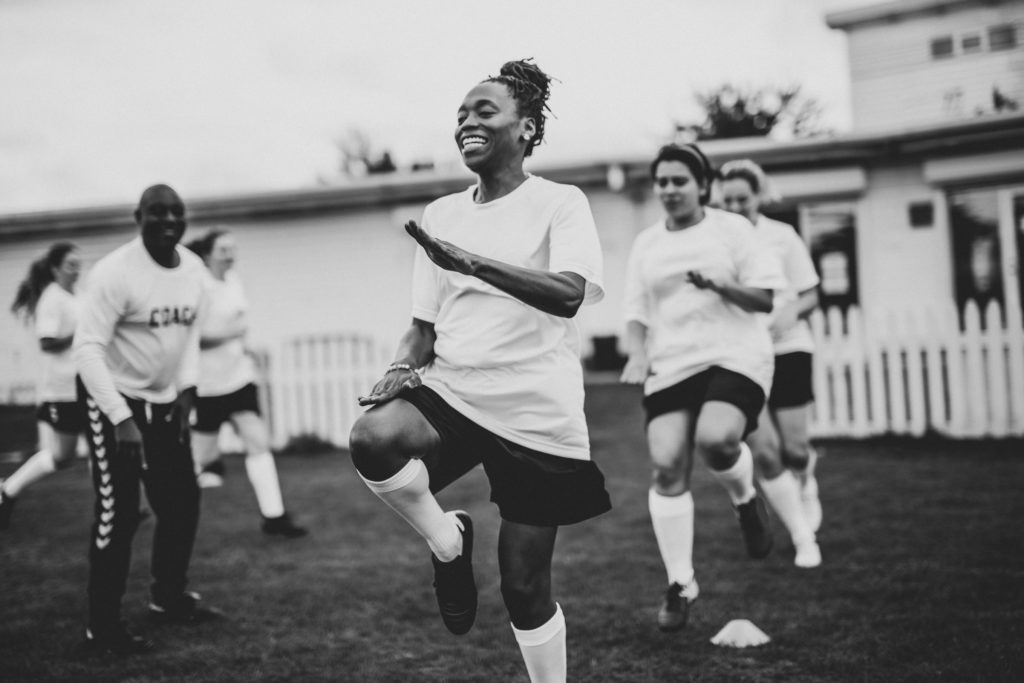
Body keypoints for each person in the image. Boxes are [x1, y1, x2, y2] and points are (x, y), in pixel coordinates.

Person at [348, 59, 610, 683]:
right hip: (457, 392)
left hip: (536, 408)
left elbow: (570, 292)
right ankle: (446, 542)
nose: (467, 122)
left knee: (523, 587)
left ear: (526, 129)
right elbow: (424, 326)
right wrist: (400, 366)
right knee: (372, 438)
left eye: (484, 111)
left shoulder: (560, 202)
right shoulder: (440, 215)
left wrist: (473, 263)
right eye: (461, 114)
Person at [620, 143, 785, 633]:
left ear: (702, 185)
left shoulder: (733, 230)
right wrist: (636, 351)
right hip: (672, 363)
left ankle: (744, 499)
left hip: (735, 353)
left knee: (716, 439)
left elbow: (765, 298)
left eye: (680, 181)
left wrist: (718, 285)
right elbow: (634, 310)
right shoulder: (646, 243)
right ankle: (681, 582)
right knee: (667, 464)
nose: (669, 190)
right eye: (662, 182)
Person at [73, 183, 219, 656]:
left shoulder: (194, 269)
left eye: (176, 212)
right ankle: (102, 626)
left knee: (181, 502)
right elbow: (87, 350)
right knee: (120, 515)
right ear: (139, 216)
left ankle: (168, 597)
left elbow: (192, 332)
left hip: (165, 401)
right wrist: (119, 417)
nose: (168, 220)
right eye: (157, 212)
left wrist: (188, 390)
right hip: (114, 401)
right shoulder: (114, 273)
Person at [720, 159, 823, 568]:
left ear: (759, 196)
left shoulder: (783, 237)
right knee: (766, 452)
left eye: (742, 199)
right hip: (743, 356)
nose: (734, 206)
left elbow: (811, 293)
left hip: (789, 348)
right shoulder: (716, 241)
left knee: (795, 450)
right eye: (726, 200)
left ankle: (807, 481)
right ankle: (802, 536)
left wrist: (791, 313)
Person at [184, 228, 306, 538]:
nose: (230, 254)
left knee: (258, 442)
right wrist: (232, 336)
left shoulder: (234, 282)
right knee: (199, 459)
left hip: (239, 379)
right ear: (208, 254)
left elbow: (240, 325)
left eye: (233, 248)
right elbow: (191, 338)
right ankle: (160, 503)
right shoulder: (199, 287)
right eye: (223, 249)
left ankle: (274, 517)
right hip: (208, 386)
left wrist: (244, 345)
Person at [1, 243, 83, 529]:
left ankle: (123, 507)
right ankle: (8, 489)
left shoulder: (75, 297)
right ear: (55, 268)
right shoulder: (52, 299)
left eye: (78, 264)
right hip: (63, 390)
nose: (77, 269)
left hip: (85, 386)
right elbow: (46, 342)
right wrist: (79, 334)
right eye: (71, 264)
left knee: (108, 445)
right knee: (63, 456)